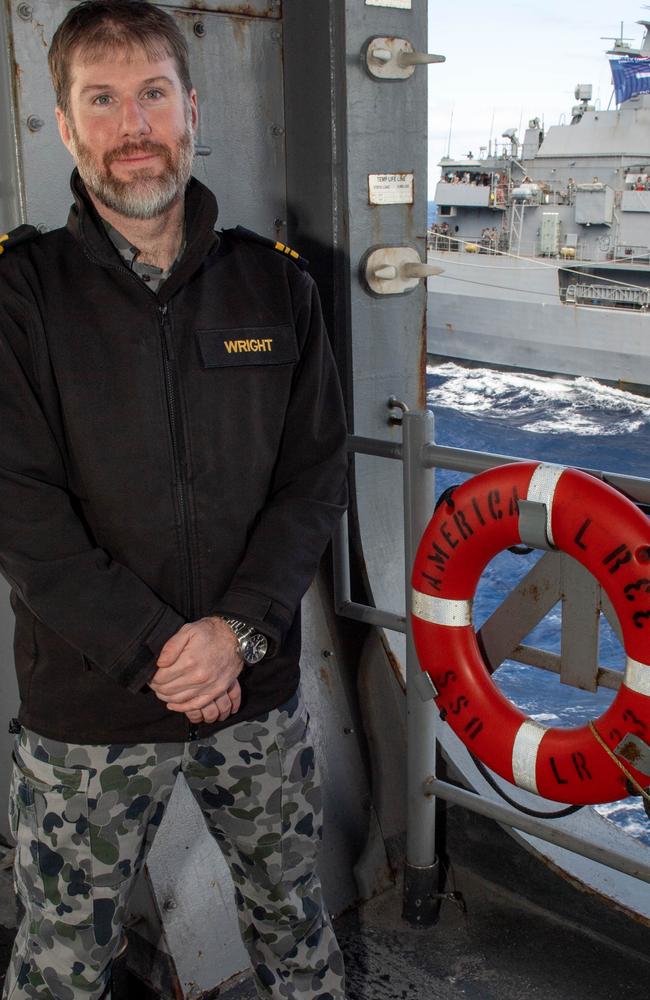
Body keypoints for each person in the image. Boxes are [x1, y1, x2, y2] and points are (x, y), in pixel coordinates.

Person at [0, 1, 348, 998]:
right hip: (89, 711)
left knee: (294, 929)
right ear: (66, 127)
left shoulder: (276, 287)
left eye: (152, 92)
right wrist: (163, 650)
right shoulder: (19, 298)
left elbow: (312, 472)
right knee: (63, 962)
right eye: (100, 100)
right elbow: (21, 510)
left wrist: (235, 632)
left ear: (191, 108)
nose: (133, 124)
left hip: (252, 690)